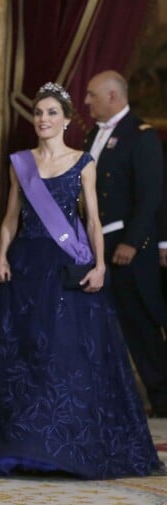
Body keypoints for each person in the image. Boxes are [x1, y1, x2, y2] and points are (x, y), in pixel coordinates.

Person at [0, 82, 162, 480]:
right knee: (18, 354)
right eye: (38, 113)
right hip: (24, 265)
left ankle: (59, 446)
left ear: (66, 121)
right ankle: (17, 443)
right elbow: (10, 217)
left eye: (51, 113)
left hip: (68, 267)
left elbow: (92, 220)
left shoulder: (83, 162)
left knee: (63, 354)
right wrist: (2, 257)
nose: (43, 119)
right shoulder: (20, 161)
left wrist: (99, 266)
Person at [84, 70, 167, 418]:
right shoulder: (94, 133)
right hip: (97, 243)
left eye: (92, 95)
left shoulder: (141, 136)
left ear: (113, 97)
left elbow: (151, 197)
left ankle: (162, 397)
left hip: (126, 246)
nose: (86, 101)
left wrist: (133, 243)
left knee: (140, 322)